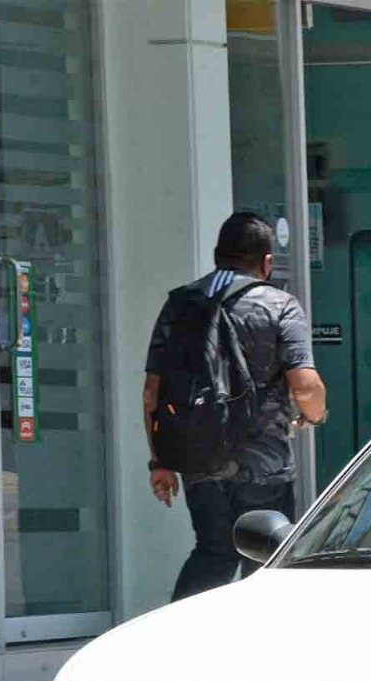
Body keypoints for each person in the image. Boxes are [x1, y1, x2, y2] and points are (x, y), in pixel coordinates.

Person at [144, 212, 326, 601]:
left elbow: (152, 393)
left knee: (212, 554)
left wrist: (160, 461)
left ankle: (180, 632)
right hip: (266, 467)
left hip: (200, 461)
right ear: (266, 262)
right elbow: (306, 386)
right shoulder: (281, 305)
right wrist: (314, 415)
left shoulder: (180, 304)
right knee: (267, 563)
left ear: (217, 255)